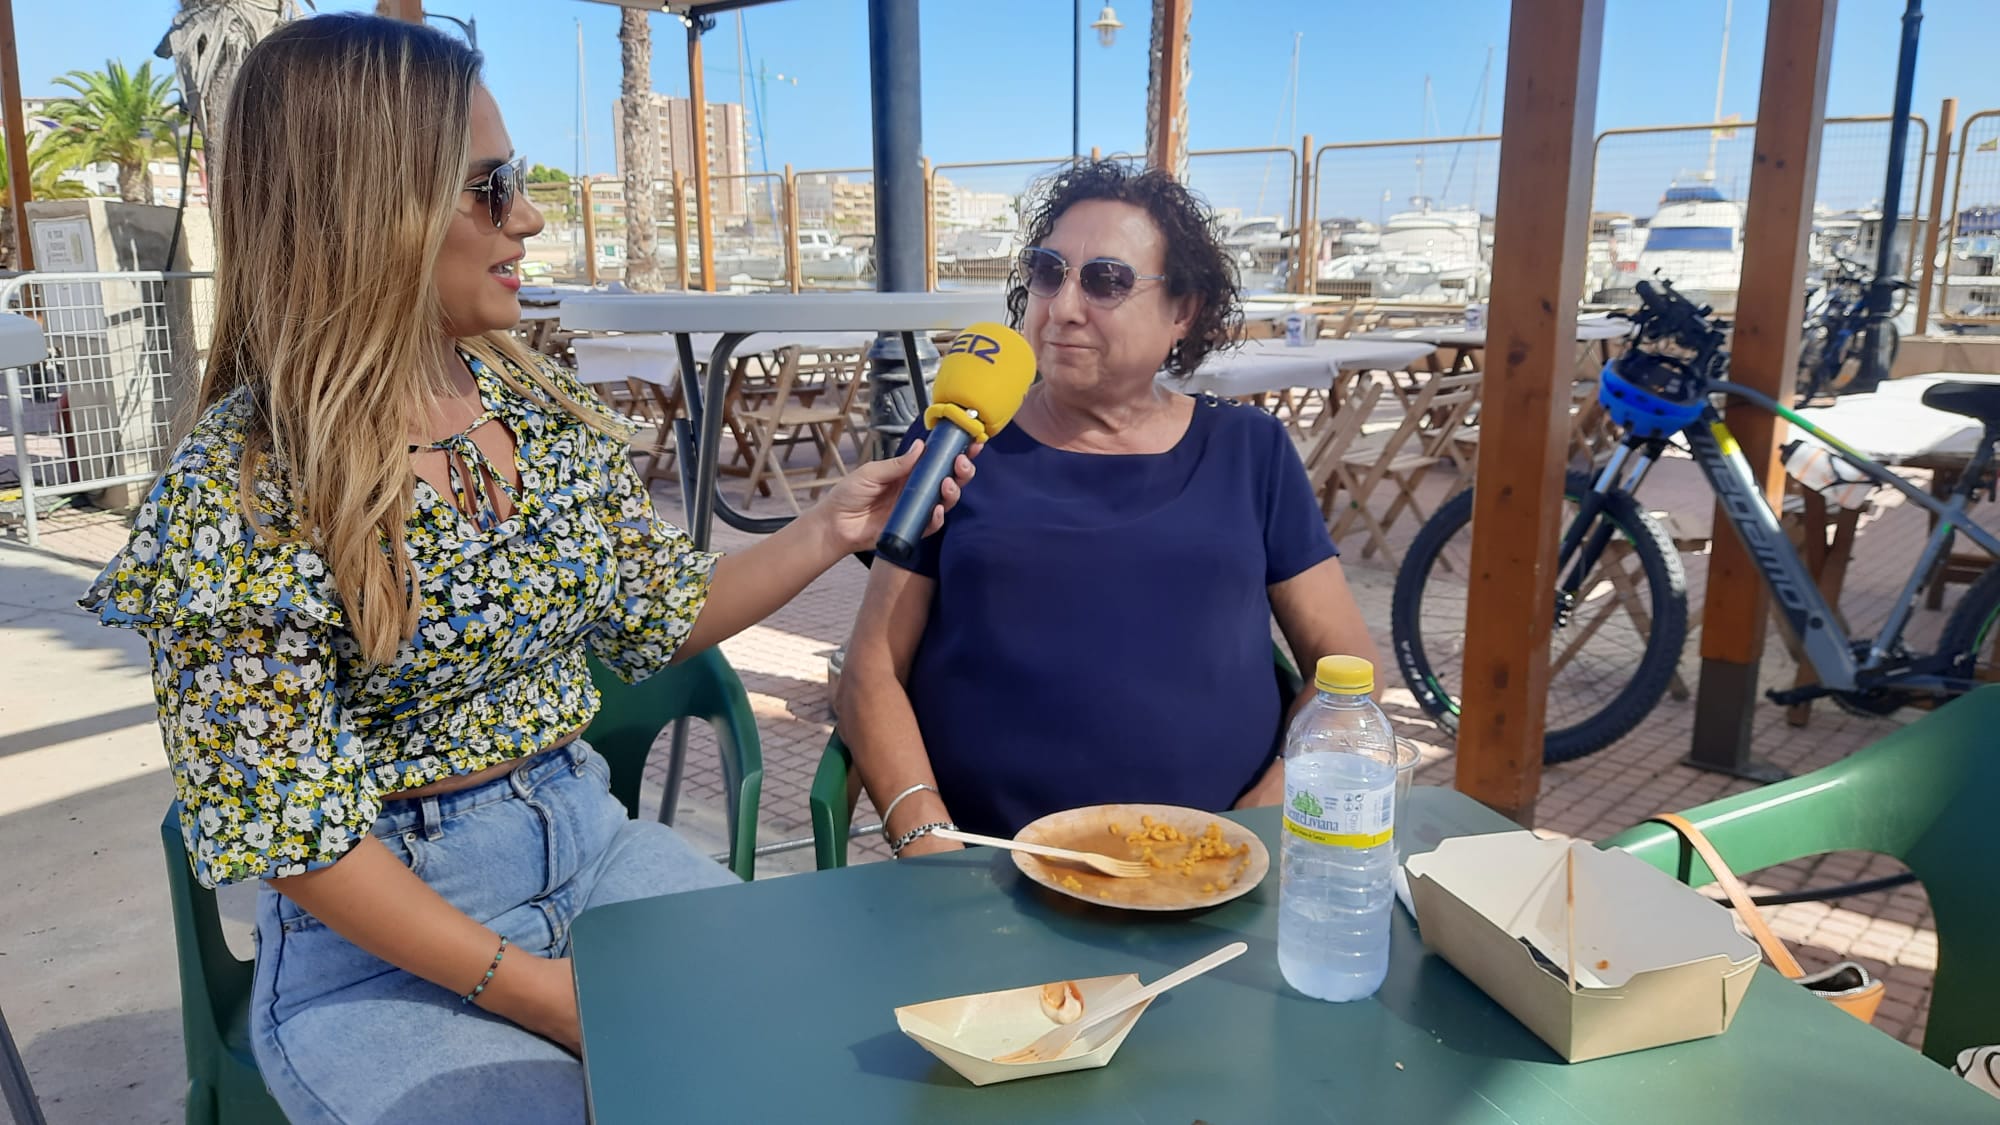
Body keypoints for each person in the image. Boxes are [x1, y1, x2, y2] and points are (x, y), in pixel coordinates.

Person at [79, 15, 972, 1123]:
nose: (532, 218)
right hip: (380, 938)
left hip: (592, 848)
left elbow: (654, 615)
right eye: (490, 187)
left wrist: (825, 526)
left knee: (824, 1066)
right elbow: (290, 835)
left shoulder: (539, 412)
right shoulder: (243, 491)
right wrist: (555, 1001)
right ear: (369, 211)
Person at [836, 160, 1379, 859]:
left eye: (1105, 281)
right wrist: (926, 835)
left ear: (1183, 310)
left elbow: (1350, 667)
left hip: (1213, 867)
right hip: (993, 874)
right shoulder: (958, 445)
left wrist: (1264, 816)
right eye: (1048, 271)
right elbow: (869, 670)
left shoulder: (1251, 452)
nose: (1062, 307)